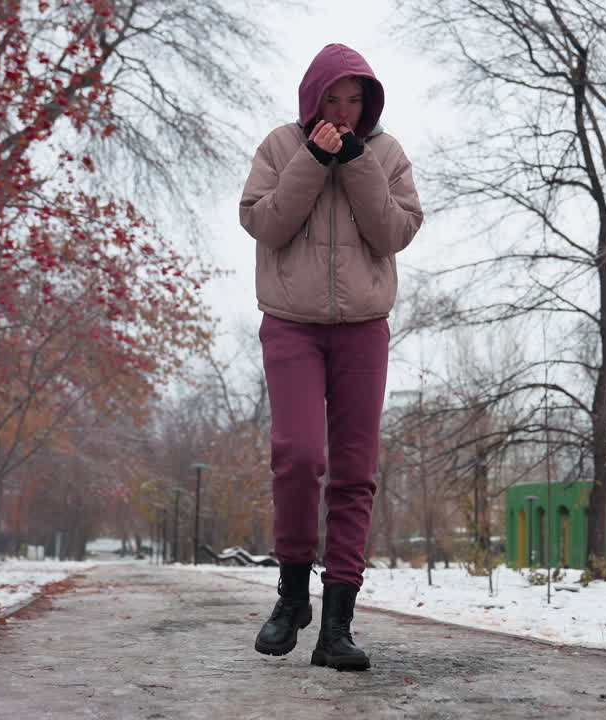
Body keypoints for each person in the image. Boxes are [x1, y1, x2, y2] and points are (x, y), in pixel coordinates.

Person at [238, 43, 423, 671]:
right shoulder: (279, 147)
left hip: (364, 329)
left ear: (369, 104)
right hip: (290, 324)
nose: (343, 112)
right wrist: (314, 160)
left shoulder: (386, 154)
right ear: (312, 100)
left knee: (354, 470)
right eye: (332, 100)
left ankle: (337, 625)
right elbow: (265, 225)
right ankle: (292, 597)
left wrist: (357, 163)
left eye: (354, 101)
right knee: (297, 455)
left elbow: (394, 233)